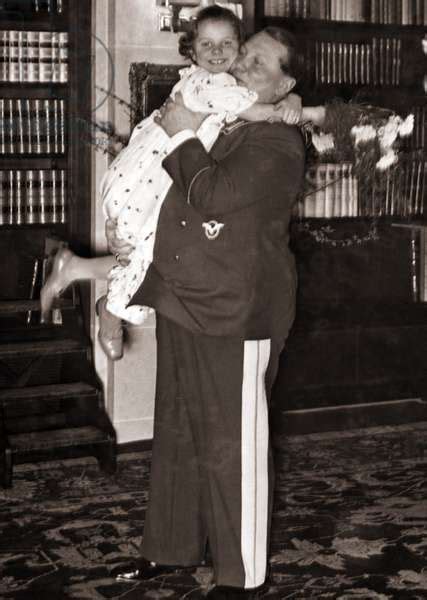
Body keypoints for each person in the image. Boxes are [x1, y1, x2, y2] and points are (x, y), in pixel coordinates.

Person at [107, 25, 318, 600]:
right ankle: (170, 548)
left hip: (237, 311)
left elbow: (211, 194)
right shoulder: (225, 120)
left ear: (286, 83)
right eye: (241, 58)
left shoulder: (279, 143)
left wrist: (179, 136)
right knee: (177, 433)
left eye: (257, 63)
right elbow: (166, 192)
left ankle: (240, 574)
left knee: (234, 444)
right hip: (184, 297)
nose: (241, 68)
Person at [39, 5, 302, 362]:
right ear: (192, 51)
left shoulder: (265, 130)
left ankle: (86, 280)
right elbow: (249, 112)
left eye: (232, 48)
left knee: (144, 251)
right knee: (146, 249)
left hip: (219, 290)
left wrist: (293, 101)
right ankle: (111, 309)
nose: (231, 60)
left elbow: (214, 187)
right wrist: (300, 108)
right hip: (152, 185)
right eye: (210, 46)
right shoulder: (216, 87)